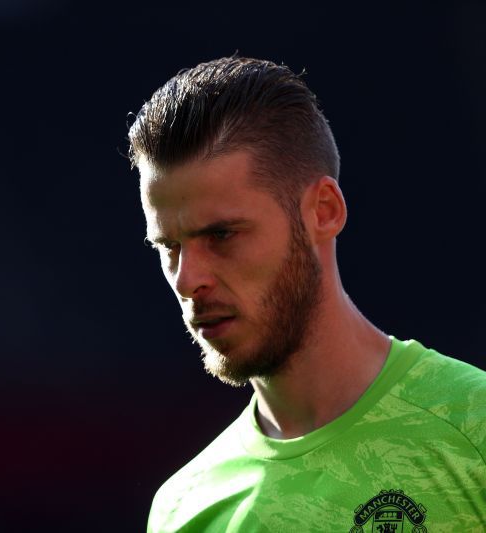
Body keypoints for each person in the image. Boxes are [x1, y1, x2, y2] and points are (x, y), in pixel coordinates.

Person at [127, 56, 486, 532]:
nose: (188, 278)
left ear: (324, 211)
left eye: (222, 235)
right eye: (169, 247)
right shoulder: (182, 511)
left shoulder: (473, 427)